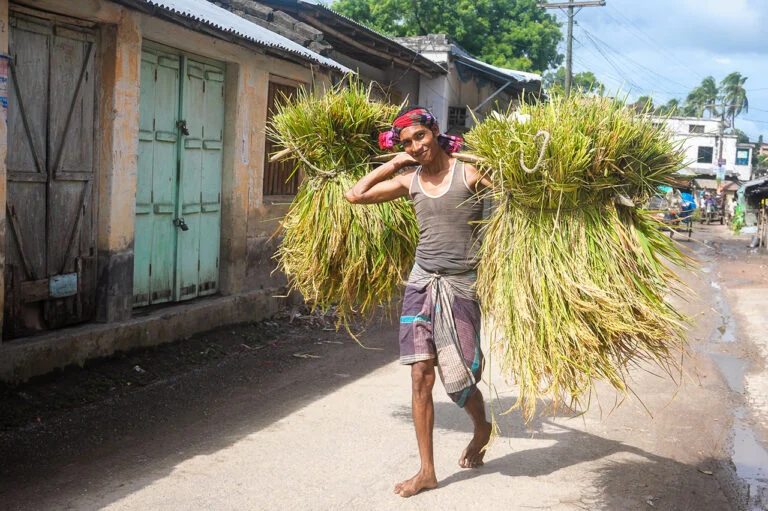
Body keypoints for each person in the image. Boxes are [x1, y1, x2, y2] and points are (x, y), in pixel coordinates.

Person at [345, 106, 493, 498]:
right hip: (421, 284)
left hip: (461, 286)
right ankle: (427, 470)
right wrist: (394, 162)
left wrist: (459, 154)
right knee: (420, 375)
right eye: (407, 142)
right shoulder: (409, 180)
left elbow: (508, 176)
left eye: (420, 138)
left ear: (435, 132)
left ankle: (482, 427)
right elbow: (355, 195)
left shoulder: (469, 174)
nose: (415, 147)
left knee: (460, 379)